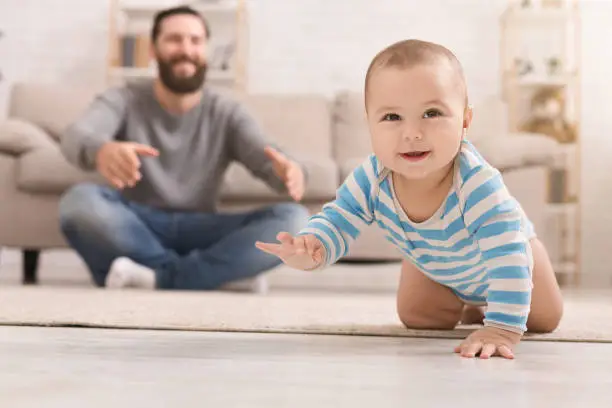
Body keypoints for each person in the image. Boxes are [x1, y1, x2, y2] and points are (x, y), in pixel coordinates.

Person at [256, 39, 564, 359]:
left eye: (431, 113)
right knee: (418, 317)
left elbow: (507, 256)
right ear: (369, 126)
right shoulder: (373, 178)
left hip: (512, 258)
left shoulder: (477, 185)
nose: (412, 132)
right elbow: (341, 215)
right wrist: (314, 245)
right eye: (392, 117)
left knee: (543, 319)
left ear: (465, 121)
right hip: (437, 266)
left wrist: (502, 327)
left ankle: (491, 308)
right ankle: (472, 305)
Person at [58, 6, 310, 292]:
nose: (186, 49)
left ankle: (154, 276)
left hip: (203, 228)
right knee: (79, 203)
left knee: (296, 221)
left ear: (206, 49)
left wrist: (291, 171)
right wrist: (101, 149)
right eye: (174, 39)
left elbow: (267, 156)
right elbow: (75, 136)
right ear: (153, 49)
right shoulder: (123, 98)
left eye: (195, 40)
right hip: (138, 226)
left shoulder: (226, 111)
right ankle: (214, 276)